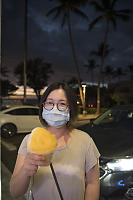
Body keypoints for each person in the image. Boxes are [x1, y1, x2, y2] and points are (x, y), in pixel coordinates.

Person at [10, 82, 100, 200]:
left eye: (62, 104)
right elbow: (15, 192)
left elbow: (93, 183)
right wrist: (25, 171)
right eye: (50, 102)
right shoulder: (29, 140)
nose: (54, 108)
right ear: (43, 106)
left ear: (71, 109)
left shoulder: (85, 140)